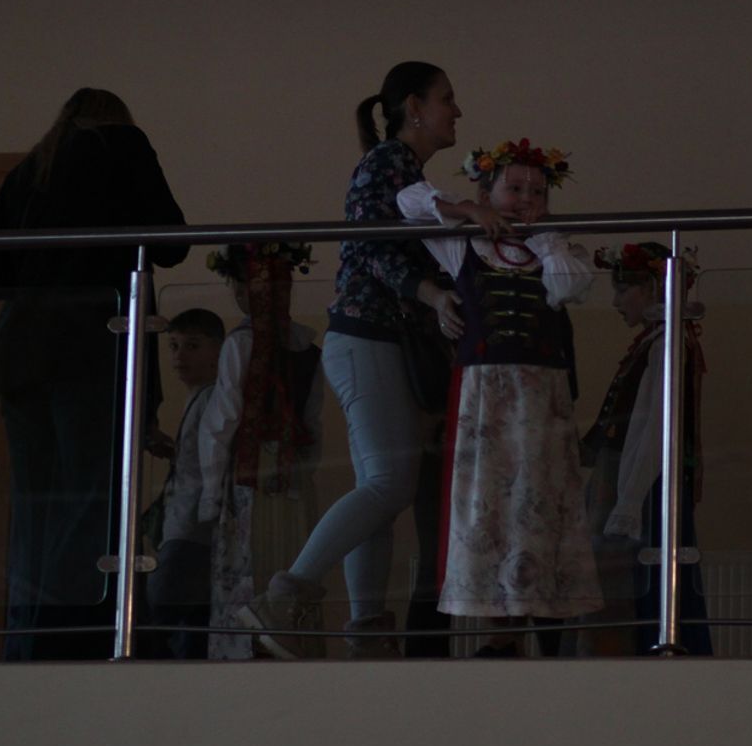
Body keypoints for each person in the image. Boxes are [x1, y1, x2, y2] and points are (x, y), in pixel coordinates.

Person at [246, 61, 502, 660]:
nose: (457, 111)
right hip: (368, 338)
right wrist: (431, 294)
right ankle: (285, 597)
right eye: (447, 99)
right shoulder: (385, 162)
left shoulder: (407, 173)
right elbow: (370, 247)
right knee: (390, 484)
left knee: (379, 490)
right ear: (414, 107)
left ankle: (367, 629)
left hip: (377, 341)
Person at [0, 87, 187, 660]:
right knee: (91, 505)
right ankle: (74, 644)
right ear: (117, 118)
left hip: (21, 356)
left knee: (36, 511)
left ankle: (26, 643)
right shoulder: (124, 146)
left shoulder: (30, 168)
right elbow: (174, 242)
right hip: (95, 348)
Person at [399, 138, 603, 656]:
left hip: (541, 396)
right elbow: (408, 201)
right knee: (487, 503)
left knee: (540, 501)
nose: (526, 200)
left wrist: (545, 240)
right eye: (513, 189)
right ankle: (498, 631)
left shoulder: (559, 249)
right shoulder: (464, 245)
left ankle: (544, 623)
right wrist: (469, 211)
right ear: (488, 190)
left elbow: (567, 288)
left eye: (537, 192)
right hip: (485, 396)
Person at [580, 242, 712, 656]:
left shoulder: (667, 344)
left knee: (638, 587)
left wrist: (628, 500)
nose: (616, 302)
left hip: (646, 484)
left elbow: (655, 427)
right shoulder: (654, 341)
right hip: (627, 477)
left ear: (654, 289)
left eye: (624, 290)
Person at [197, 243, 324, 660]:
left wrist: (210, 494)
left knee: (248, 566)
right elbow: (313, 427)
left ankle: (247, 653)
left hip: (248, 477)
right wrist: (301, 471)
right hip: (292, 477)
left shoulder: (240, 344)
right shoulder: (309, 349)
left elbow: (221, 423)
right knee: (289, 556)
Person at [144, 307, 224, 660]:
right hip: (183, 527)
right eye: (174, 346)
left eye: (192, 346)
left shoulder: (211, 398)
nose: (179, 356)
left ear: (218, 351)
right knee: (188, 631)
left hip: (190, 529)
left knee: (156, 621)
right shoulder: (198, 398)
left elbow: (212, 463)